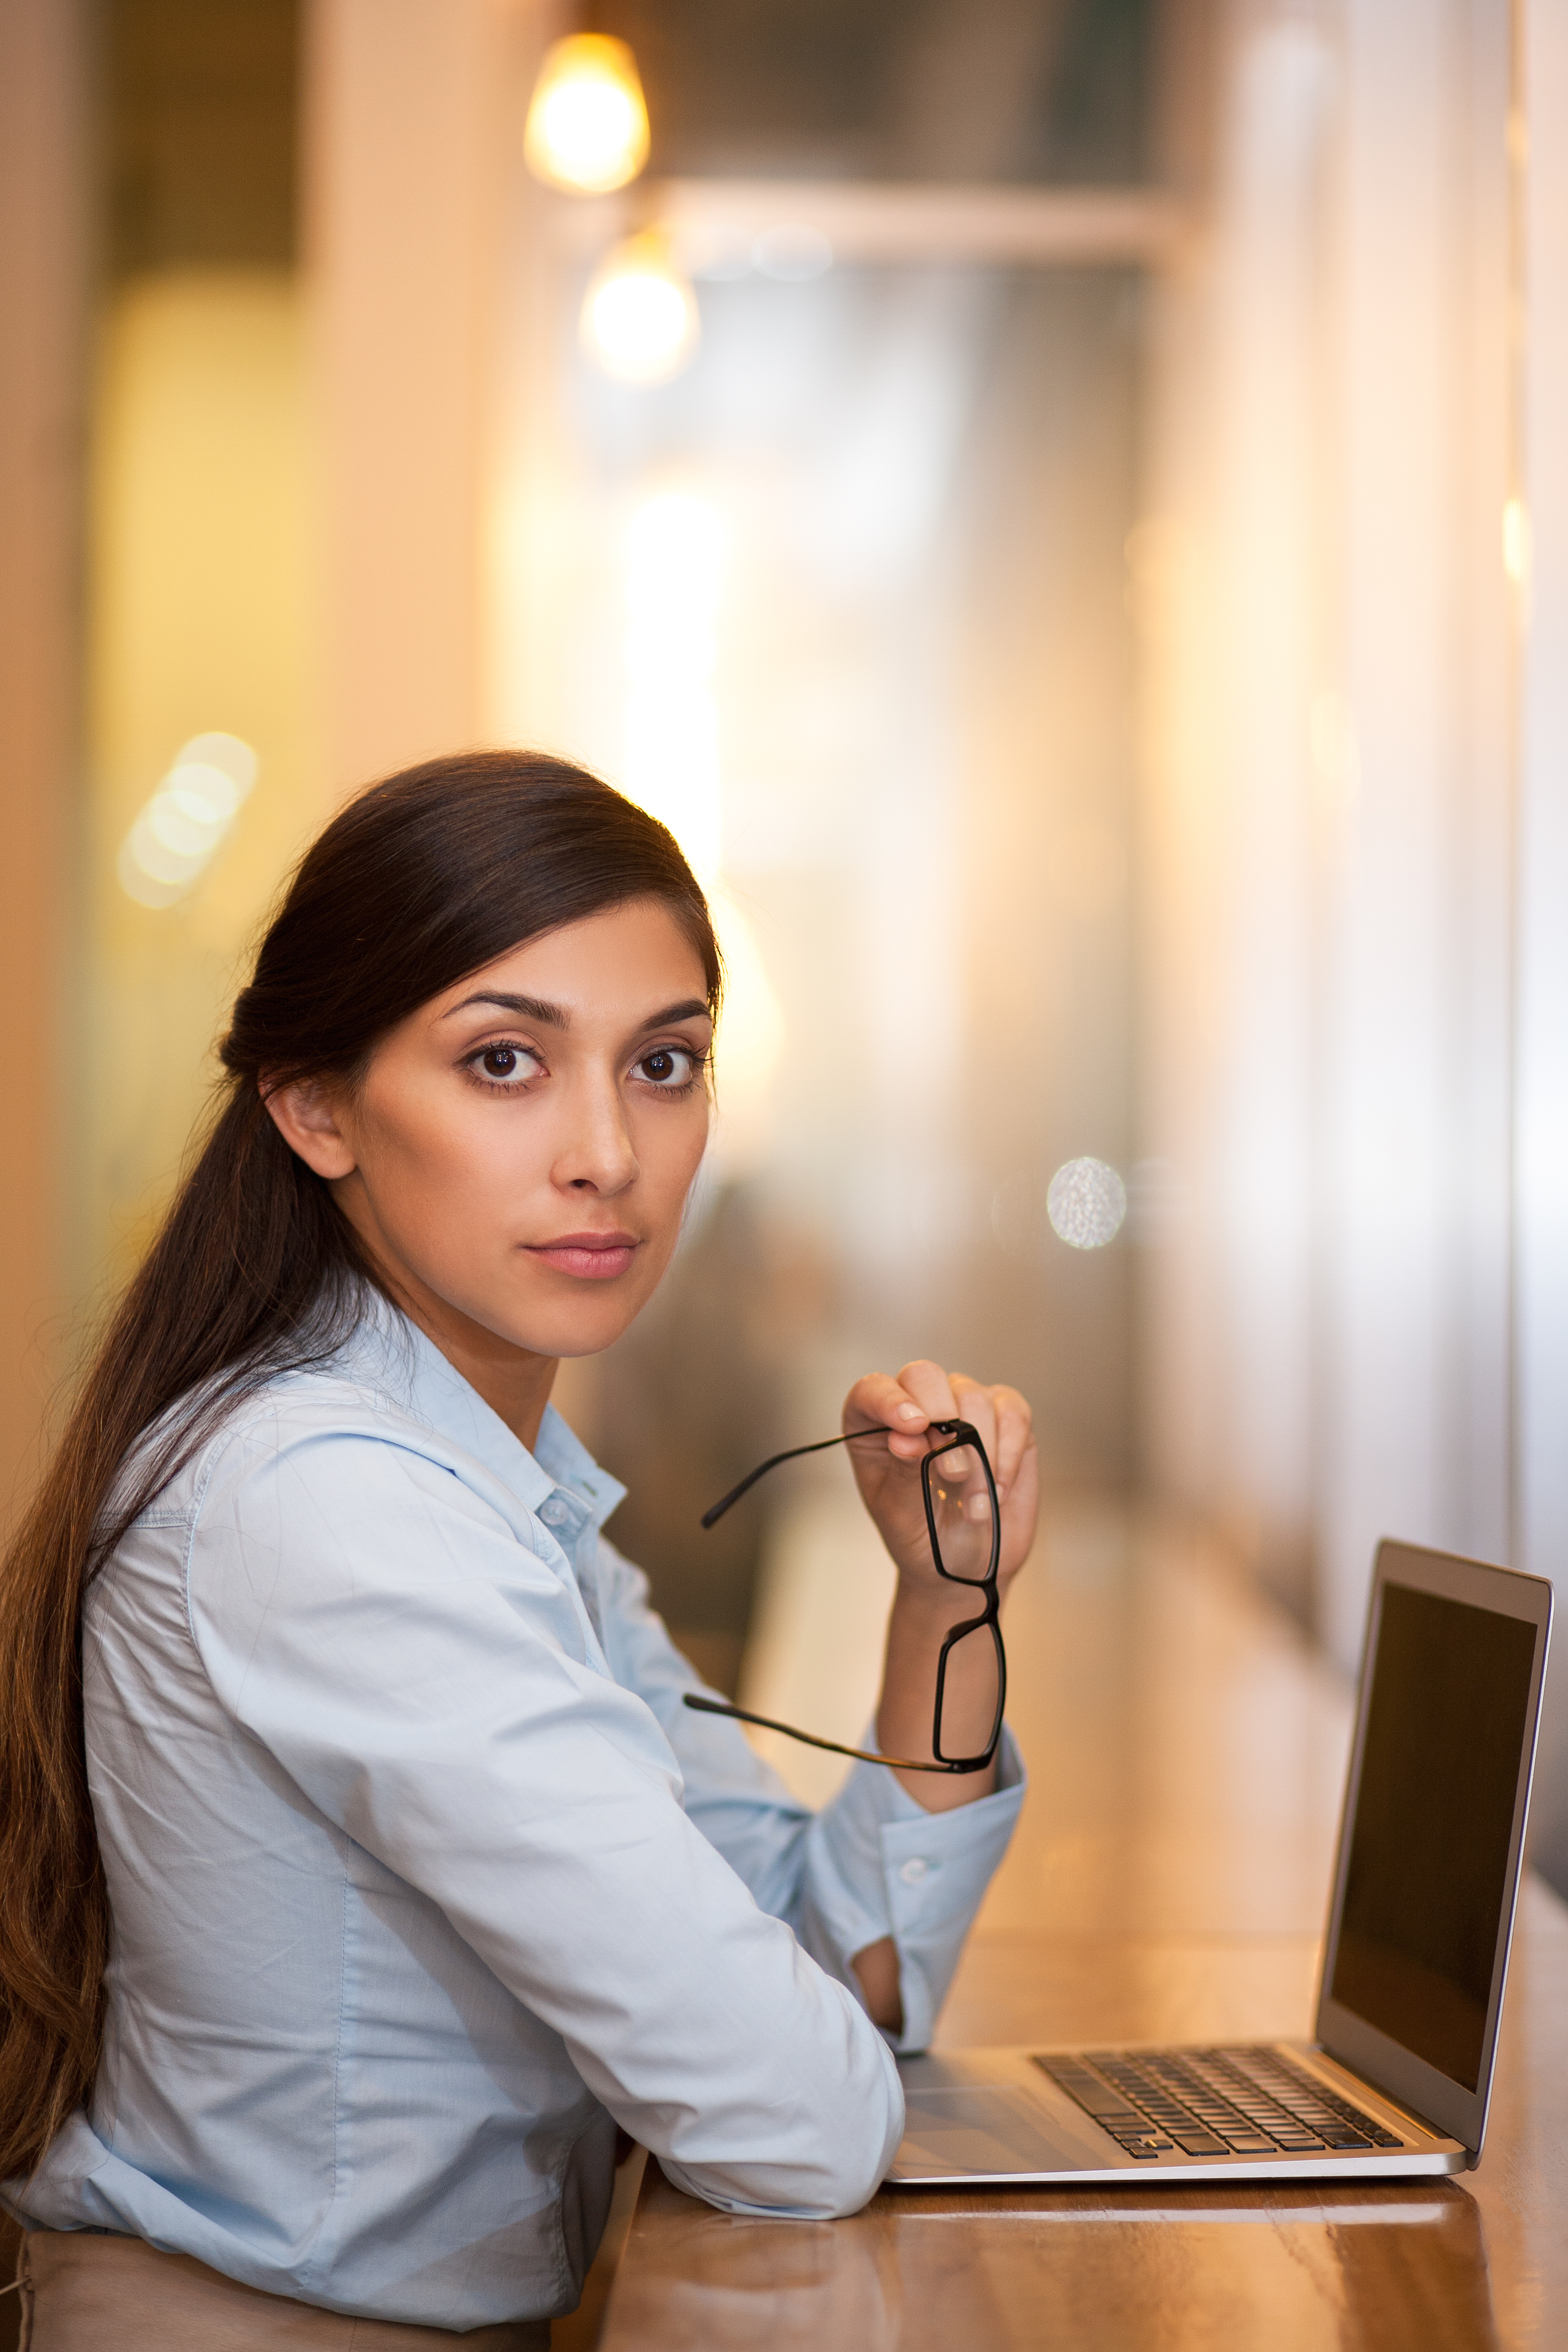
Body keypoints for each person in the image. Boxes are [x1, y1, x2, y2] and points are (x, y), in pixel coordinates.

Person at [0, 752, 1034, 2346]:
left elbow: (849, 1992)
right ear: (316, 1104)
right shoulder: (331, 1505)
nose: (607, 1152)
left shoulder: (491, 1473)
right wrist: (799, 2043)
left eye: (667, 1062)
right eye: (504, 1061)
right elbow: (805, 2119)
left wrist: (940, 1605)